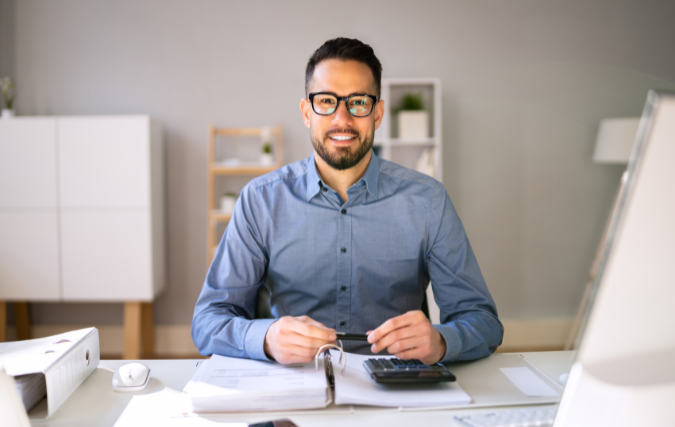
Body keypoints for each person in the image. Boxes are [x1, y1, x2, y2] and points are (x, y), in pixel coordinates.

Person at [192, 37, 503, 365]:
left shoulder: (428, 200)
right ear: (306, 112)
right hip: (294, 387)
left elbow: (482, 321)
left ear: (378, 113)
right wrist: (266, 338)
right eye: (326, 101)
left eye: (358, 102)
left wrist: (441, 341)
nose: (342, 119)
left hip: (397, 391)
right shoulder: (260, 201)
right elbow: (207, 322)